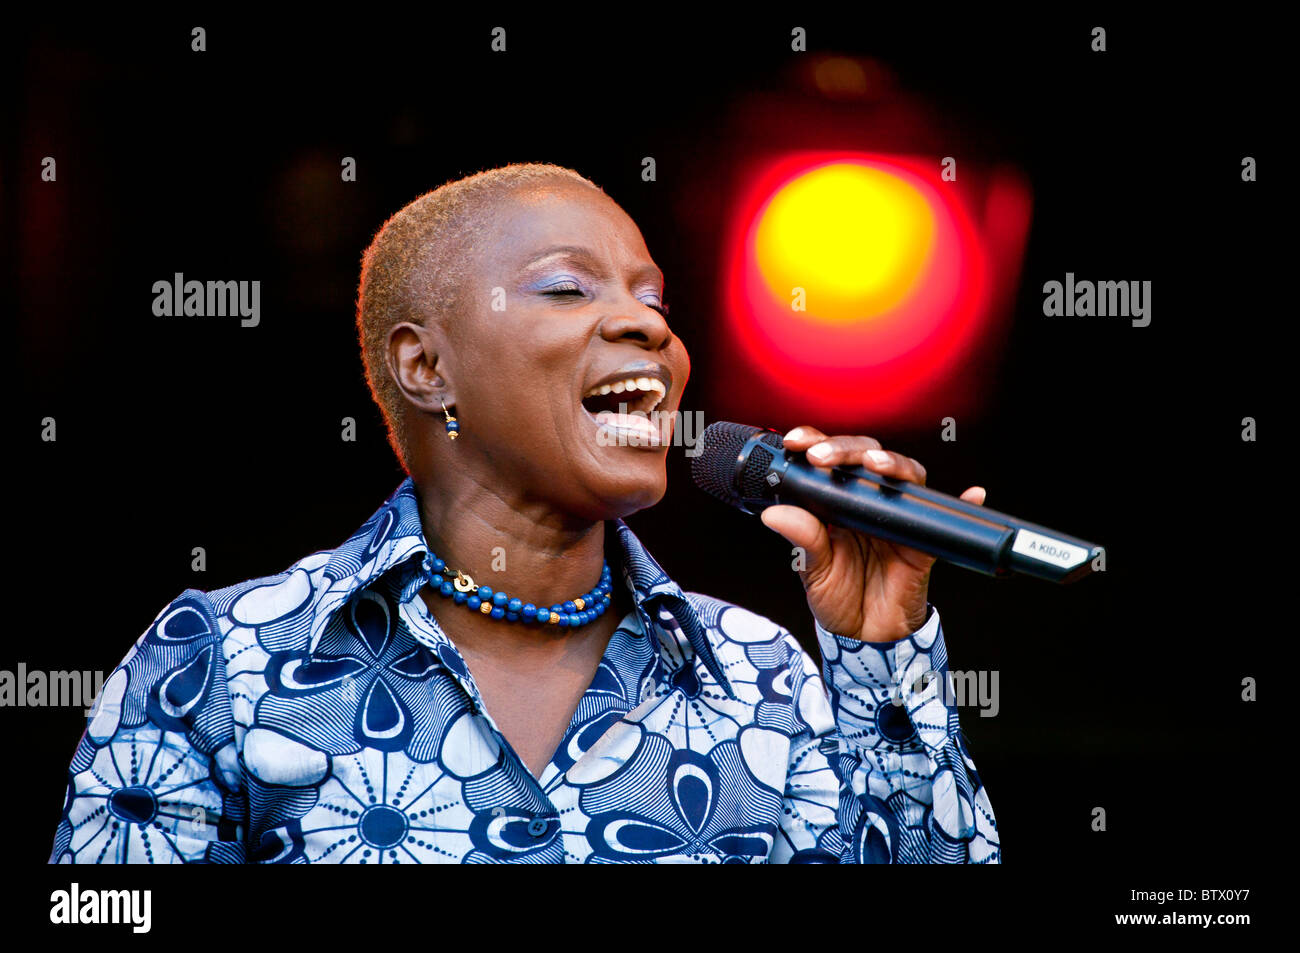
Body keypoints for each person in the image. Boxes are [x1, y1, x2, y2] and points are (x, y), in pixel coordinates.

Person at [50, 163, 999, 864]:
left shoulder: (760, 676)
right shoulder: (225, 660)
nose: (651, 326)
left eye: (655, 299)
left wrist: (886, 656)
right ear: (427, 368)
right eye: (566, 287)